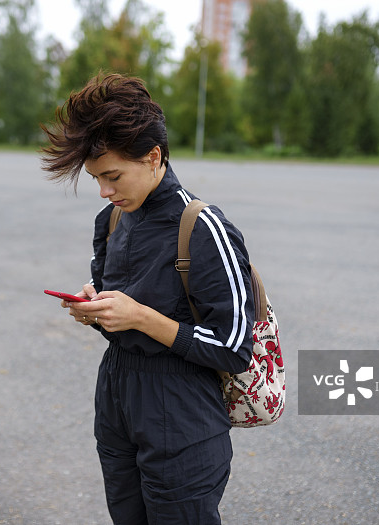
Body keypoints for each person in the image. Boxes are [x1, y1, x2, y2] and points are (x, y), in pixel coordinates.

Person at [41, 73, 255, 525]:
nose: (104, 190)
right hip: (118, 400)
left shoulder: (203, 228)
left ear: (153, 156)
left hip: (181, 413)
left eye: (113, 176)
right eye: (97, 178)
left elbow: (234, 348)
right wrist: (96, 310)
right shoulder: (112, 221)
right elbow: (119, 313)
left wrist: (139, 316)